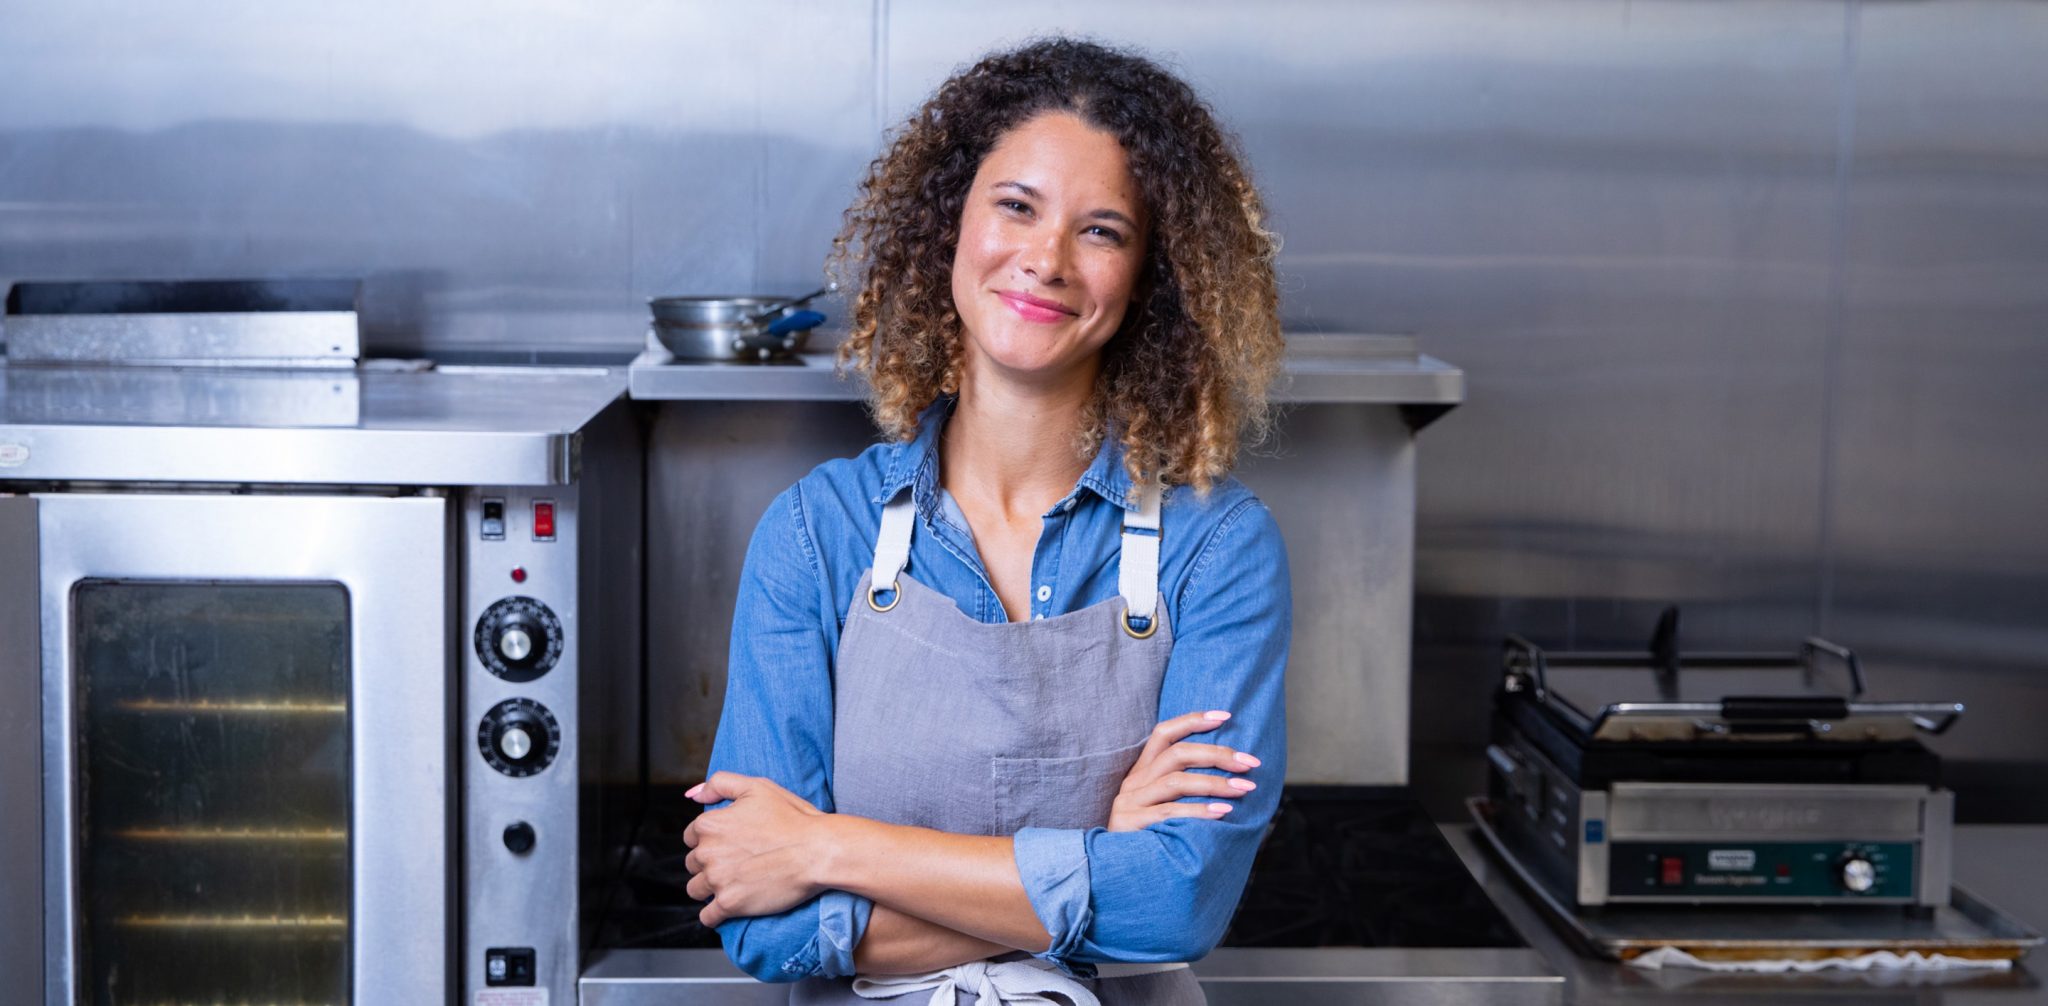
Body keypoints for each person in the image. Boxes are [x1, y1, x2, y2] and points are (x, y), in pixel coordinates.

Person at [683, 37, 1290, 1005]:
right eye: (1015, 205)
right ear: (948, 224)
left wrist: (829, 847)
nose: (1044, 259)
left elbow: (1180, 904)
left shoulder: (1216, 549)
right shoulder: (815, 533)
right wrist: (1098, 868)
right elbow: (763, 918)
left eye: (1101, 230)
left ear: (1148, 278)